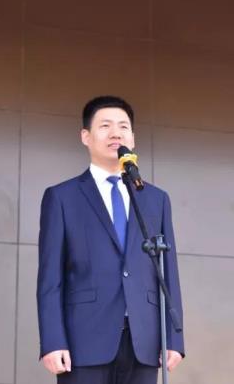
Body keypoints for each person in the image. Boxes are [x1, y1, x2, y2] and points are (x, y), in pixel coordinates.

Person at [36, 95, 185, 384]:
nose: (116, 133)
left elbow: (169, 272)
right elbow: (50, 277)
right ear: (86, 136)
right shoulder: (62, 197)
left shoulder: (155, 199)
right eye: (105, 126)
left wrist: (174, 339)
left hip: (145, 342)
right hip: (83, 341)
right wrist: (52, 340)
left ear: (133, 138)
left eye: (123, 127)